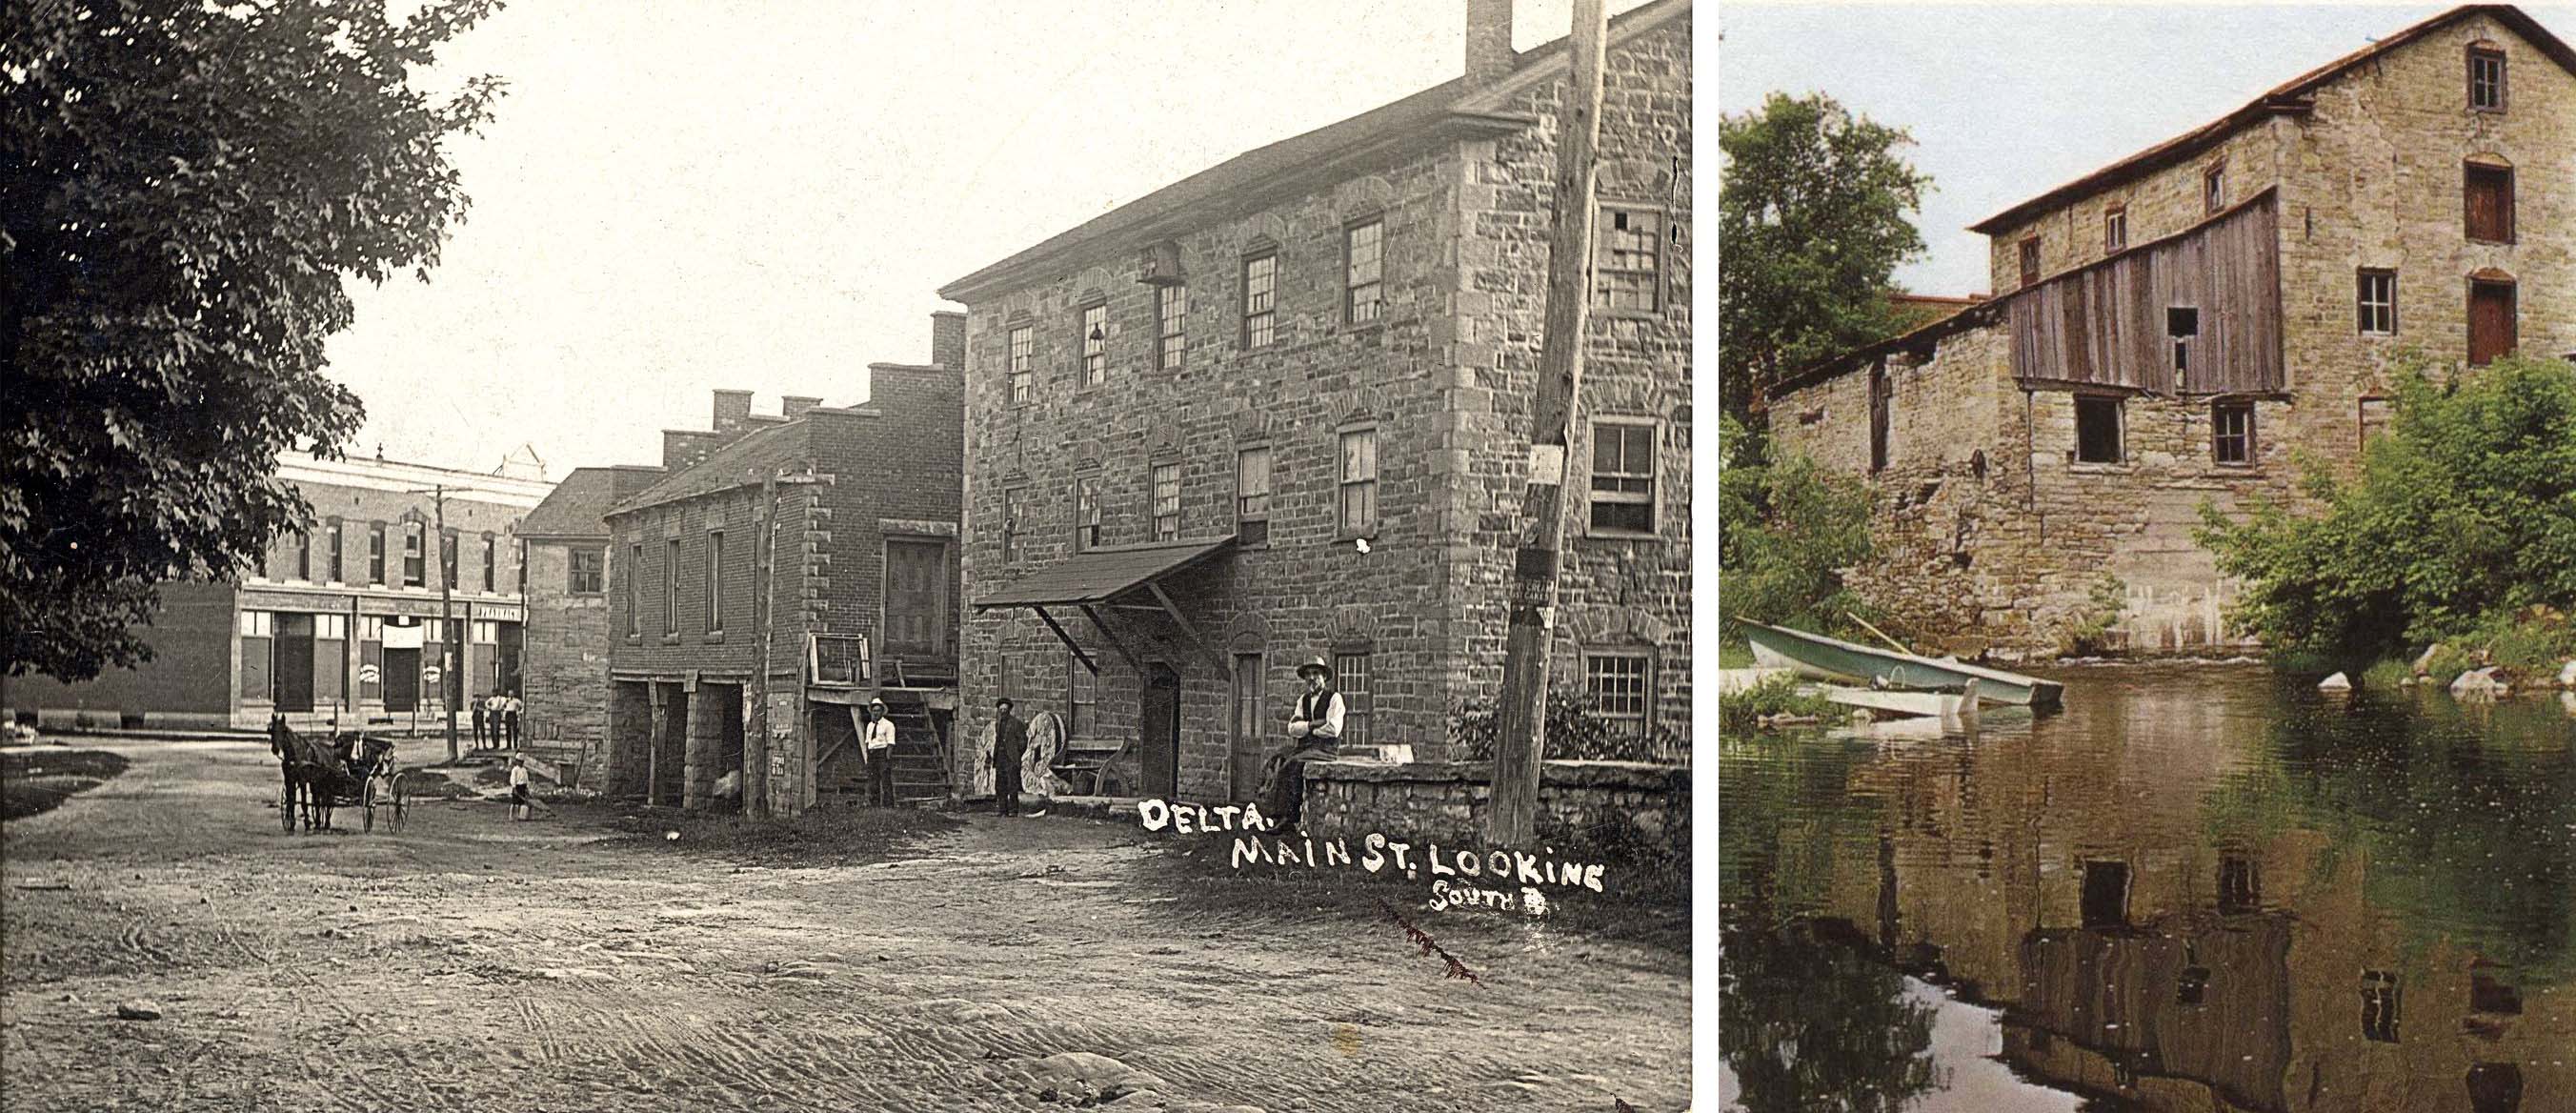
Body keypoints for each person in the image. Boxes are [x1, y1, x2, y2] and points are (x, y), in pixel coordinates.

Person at [1265, 656, 1344, 836]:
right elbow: (1292, 728)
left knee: (1291, 765)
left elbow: (1333, 728)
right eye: (1308, 674)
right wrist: (1313, 725)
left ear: (1324, 676)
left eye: (1316, 673)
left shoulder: (1334, 699)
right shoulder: (1303, 700)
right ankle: (1279, 815)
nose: (1311, 678)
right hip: (1305, 748)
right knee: (1281, 762)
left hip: (1326, 750)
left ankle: (1289, 818)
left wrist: (1309, 729)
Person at [992, 698, 1027, 817]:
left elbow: (1023, 742)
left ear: (1009, 710)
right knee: (1000, 785)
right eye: (1001, 709)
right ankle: (1003, 810)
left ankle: (1013, 810)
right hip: (1000, 758)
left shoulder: (1016, 724)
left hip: (1011, 759)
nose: (1003, 711)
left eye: (1005, 709)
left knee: (1012, 785)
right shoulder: (998, 724)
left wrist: (1016, 753)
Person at [862, 698, 897, 807]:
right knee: (873, 781)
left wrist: (886, 757)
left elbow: (891, 743)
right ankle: (874, 806)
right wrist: (869, 755)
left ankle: (888, 806)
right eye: (874, 711)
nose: (875, 713)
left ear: (882, 712)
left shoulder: (888, 725)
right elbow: (868, 742)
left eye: (878, 710)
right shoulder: (870, 725)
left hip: (882, 754)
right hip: (872, 755)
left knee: (885, 780)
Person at [508, 756, 533, 821]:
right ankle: (511, 816)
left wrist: (527, 788)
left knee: (521, 803)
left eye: (522, 762)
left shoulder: (524, 770)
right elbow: (513, 779)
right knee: (514, 802)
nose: (521, 763)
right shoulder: (515, 770)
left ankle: (520, 815)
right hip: (517, 786)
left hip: (523, 787)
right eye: (519, 761)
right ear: (517, 761)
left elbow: (526, 779)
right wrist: (514, 787)